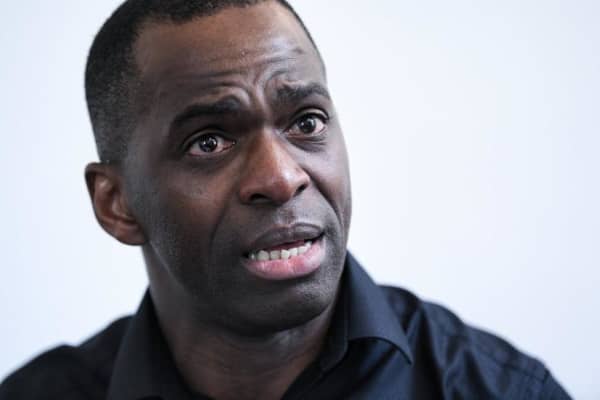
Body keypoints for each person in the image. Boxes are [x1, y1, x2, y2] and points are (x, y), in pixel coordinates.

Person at [0, 1, 572, 399]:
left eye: (306, 122)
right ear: (117, 204)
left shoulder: (498, 391)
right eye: (209, 142)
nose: (281, 178)